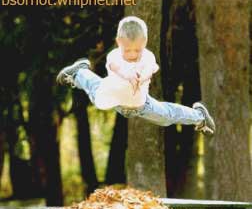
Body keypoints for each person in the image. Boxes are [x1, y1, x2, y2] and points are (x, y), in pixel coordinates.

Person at [56, 16, 215, 135]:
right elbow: (116, 67)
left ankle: (200, 117)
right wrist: (128, 75)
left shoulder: (147, 56)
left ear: (144, 42)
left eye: (137, 50)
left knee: (167, 116)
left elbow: (150, 69)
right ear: (119, 42)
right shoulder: (114, 56)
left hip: (141, 105)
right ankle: (79, 72)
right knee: (95, 92)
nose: (132, 54)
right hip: (114, 98)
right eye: (127, 50)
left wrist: (142, 76)